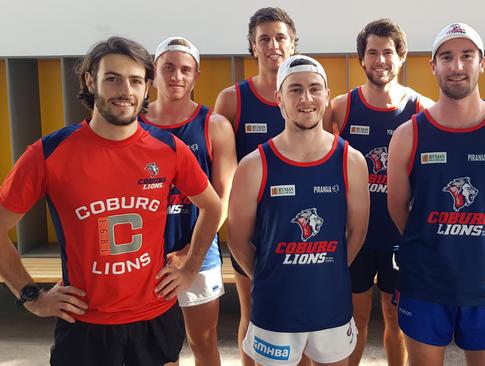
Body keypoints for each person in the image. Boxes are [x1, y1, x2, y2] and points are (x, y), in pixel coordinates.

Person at [0, 36, 221, 365]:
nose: (125, 92)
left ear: (147, 87)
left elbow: (213, 206)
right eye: (112, 78)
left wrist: (189, 269)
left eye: (135, 81)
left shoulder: (169, 150)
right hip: (86, 323)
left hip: (154, 317)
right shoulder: (49, 153)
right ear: (91, 80)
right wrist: (31, 296)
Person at [387, 23, 485, 366]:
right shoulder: (408, 135)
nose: (457, 66)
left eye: (467, 56)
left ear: (482, 63)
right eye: (447, 57)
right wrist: (435, 243)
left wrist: (476, 244)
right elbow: (398, 209)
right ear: (433, 66)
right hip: (424, 284)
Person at [227, 55, 370, 366]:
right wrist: (272, 276)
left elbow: (357, 232)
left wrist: (325, 272)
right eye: (295, 90)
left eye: (314, 89)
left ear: (327, 95)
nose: (306, 99)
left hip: (330, 305)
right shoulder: (253, 165)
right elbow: (237, 241)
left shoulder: (352, 160)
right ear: (279, 98)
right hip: (275, 308)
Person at [324, 18, 433, 366]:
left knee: (394, 318)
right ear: (362, 59)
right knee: (354, 319)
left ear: (401, 57)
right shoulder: (341, 107)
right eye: (373, 52)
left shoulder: (422, 109)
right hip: (356, 235)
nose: (380, 60)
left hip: (401, 236)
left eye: (388, 52)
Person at [139, 36, 237, 366]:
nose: (176, 76)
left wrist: (189, 255)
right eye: (168, 67)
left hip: (198, 250)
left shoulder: (215, 125)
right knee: (158, 349)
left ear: (197, 75)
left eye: (185, 69)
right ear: (154, 71)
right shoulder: (132, 124)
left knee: (203, 342)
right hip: (143, 255)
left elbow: (222, 199)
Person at [213, 7, 298, 365]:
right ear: (253, 47)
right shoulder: (232, 99)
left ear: (293, 45)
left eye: (280, 37)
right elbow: (225, 176)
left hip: (297, 227)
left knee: (300, 320)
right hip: (253, 231)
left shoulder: (306, 95)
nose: (272, 45)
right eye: (264, 39)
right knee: (253, 316)